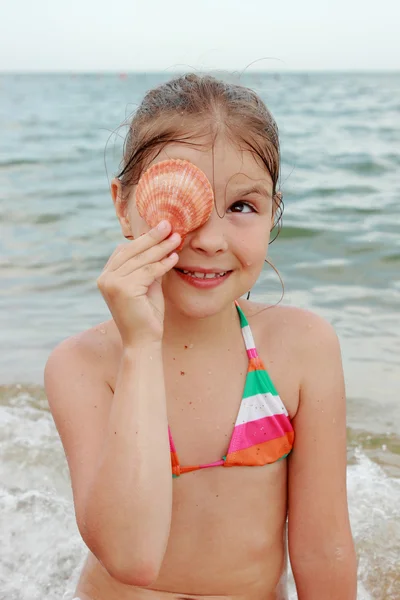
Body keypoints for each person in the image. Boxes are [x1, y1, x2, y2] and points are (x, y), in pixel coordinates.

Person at [44, 74, 357, 600]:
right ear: (124, 206)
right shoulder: (84, 366)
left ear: (273, 212)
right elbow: (131, 557)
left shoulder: (303, 348)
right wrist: (141, 347)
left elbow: (322, 548)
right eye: (179, 203)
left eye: (242, 207)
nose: (210, 240)